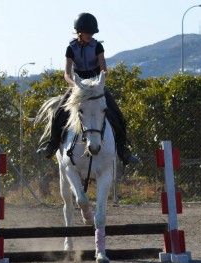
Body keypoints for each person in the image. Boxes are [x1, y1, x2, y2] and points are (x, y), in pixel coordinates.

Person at [37, 12, 140, 165]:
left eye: (92, 32)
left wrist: (99, 83)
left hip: (96, 85)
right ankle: (52, 145)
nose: (90, 35)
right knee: (57, 113)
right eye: (87, 32)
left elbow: (104, 70)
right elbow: (66, 74)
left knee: (118, 115)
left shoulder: (98, 46)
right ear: (79, 32)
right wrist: (76, 86)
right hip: (78, 86)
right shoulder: (70, 48)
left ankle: (123, 150)